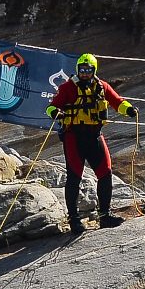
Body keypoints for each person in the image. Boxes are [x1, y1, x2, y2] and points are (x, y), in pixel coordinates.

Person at [47, 52, 133, 230]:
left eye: (88, 70)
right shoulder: (67, 88)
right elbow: (51, 107)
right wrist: (56, 112)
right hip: (74, 137)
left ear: (94, 70)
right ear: (77, 70)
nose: (84, 73)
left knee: (105, 173)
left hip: (95, 136)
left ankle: (105, 216)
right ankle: (74, 220)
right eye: (82, 70)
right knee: (74, 177)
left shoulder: (102, 86)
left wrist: (129, 109)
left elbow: (117, 102)